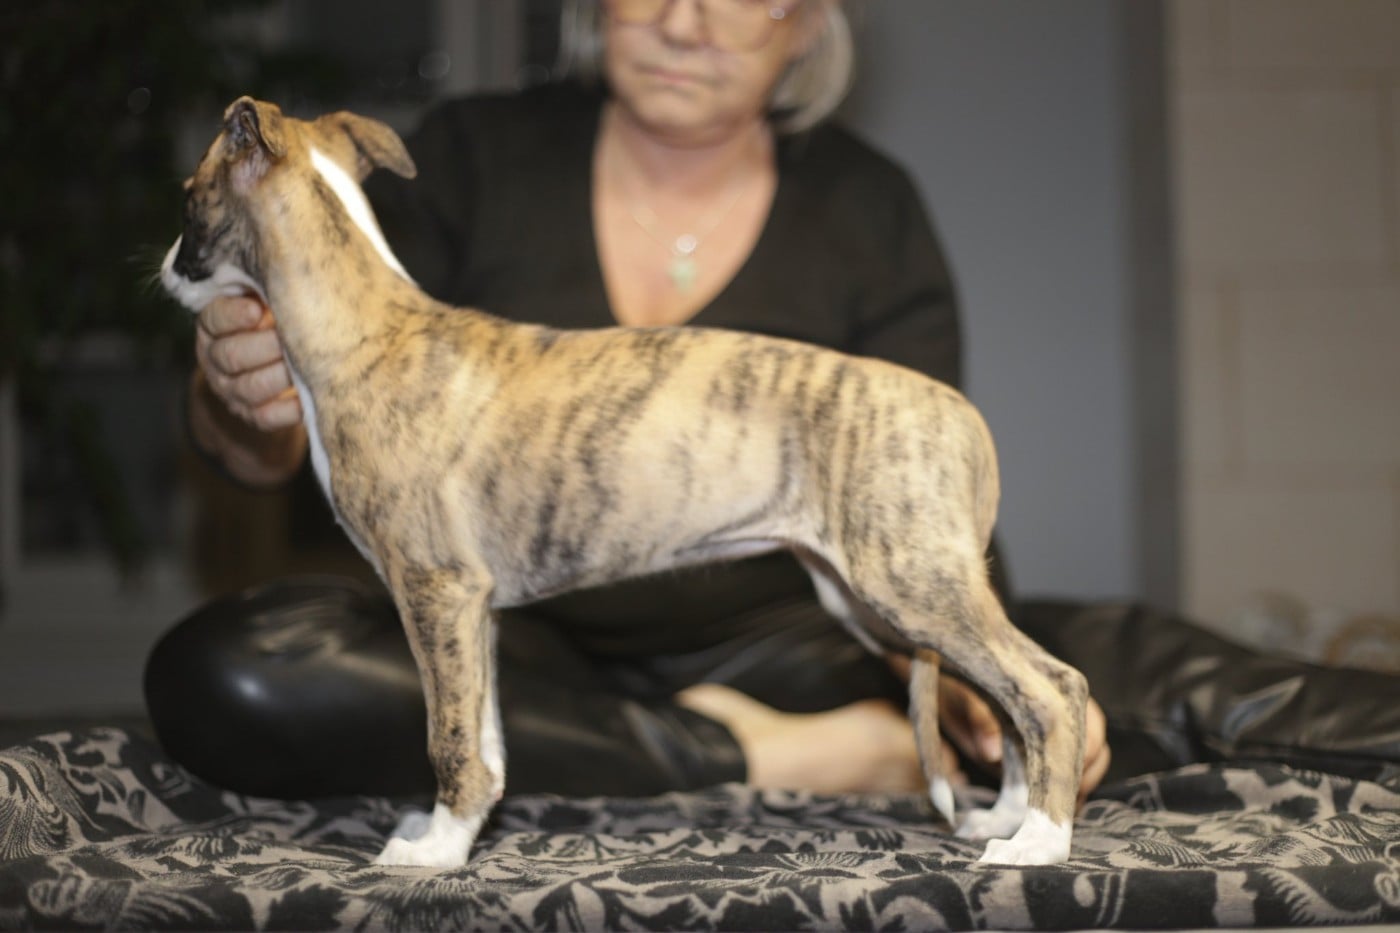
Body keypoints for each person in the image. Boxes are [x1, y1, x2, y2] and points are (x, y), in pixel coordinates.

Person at [149, 0, 1398, 808]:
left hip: (796, 633)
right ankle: (758, 759)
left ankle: (819, 729)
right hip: (532, 640)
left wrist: (959, 669)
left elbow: (916, 493)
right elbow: (297, 459)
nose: (683, 20)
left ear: (803, 25)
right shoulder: (469, 153)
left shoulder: (865, 207)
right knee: (245, 666)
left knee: (1131, 658)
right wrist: (244, 402)